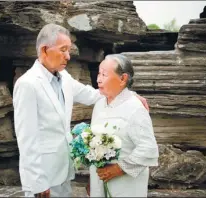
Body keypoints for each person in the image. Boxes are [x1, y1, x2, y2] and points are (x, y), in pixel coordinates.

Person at [13, 23, 149, 198]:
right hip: (43, 177)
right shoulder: (27, 84)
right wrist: (37, 182)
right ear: (45, 50)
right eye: (63, 50)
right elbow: (26, 139)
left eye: (69, 50)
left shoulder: (64, 78)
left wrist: (129, 95)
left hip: (64, 172)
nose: (68, 56)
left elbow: (94, 95)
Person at [89, 54, 159, 197]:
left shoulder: (136, 108)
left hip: (125, 185)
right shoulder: (99, 105)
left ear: (123, 79)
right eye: (99, 73)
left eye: (104, 75)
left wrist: (119, 168)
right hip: (99, 181)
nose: (98, 79)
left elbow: (148, 148)